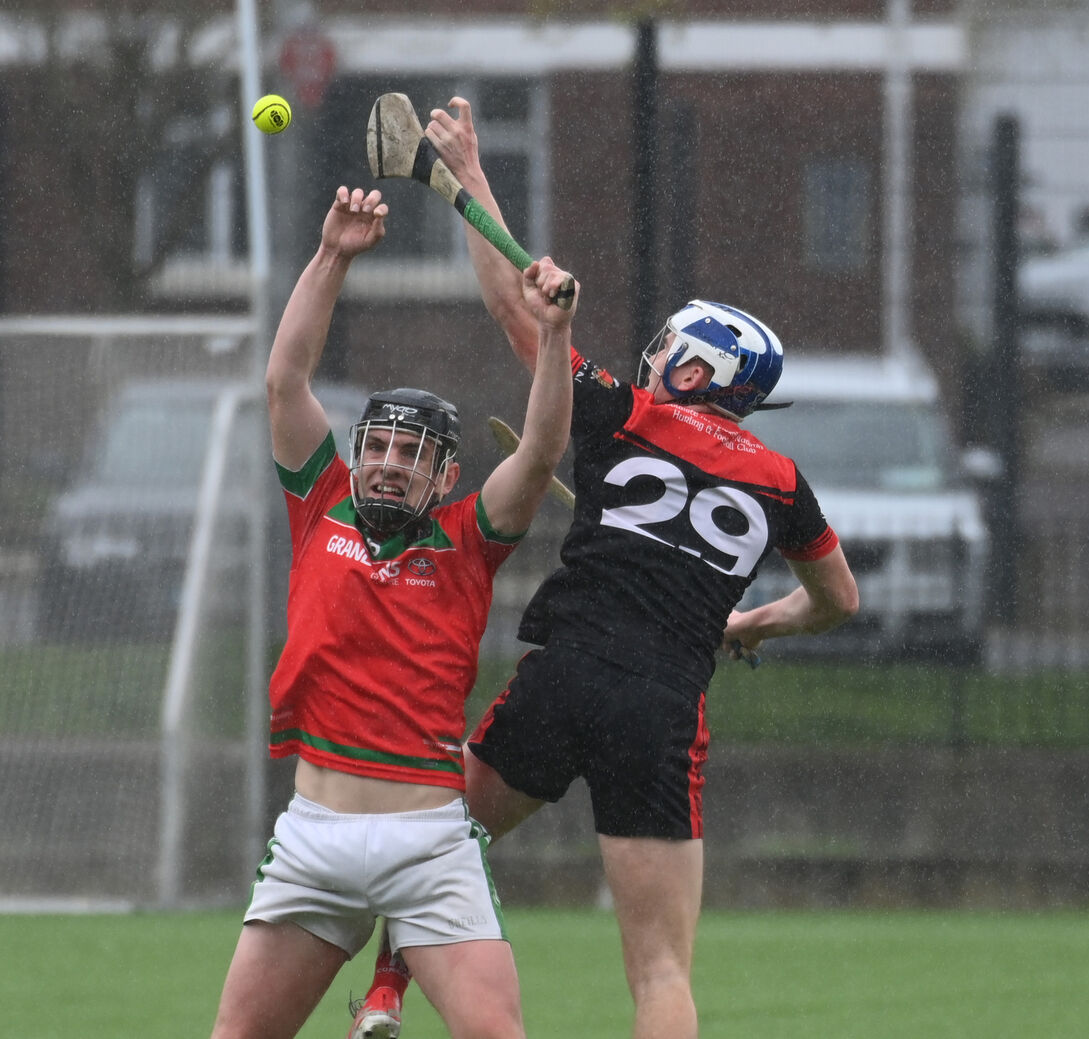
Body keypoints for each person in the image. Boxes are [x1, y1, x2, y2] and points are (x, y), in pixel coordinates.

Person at [360, 99, 860, 1039]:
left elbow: (523, 308)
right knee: (662, 971)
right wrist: (751, 623)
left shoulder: (626, 411)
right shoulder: (783, 481)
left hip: (567, 673)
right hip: (664, 706)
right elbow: (840, 598)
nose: (658, 352)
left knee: (438, 846)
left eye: (674, 346)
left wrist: (468, 170)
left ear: (699, 370)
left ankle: (385, 992)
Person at [207, 184, 577, 1039]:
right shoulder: (320, 506)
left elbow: (543, 449)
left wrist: (554, 335)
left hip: (428, 843)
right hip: (315, 837)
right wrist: (333, 256)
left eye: (411, 455)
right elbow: (284, 378)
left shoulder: (468, 537)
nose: (387, 465)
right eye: (377, 446)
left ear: (446, 475)